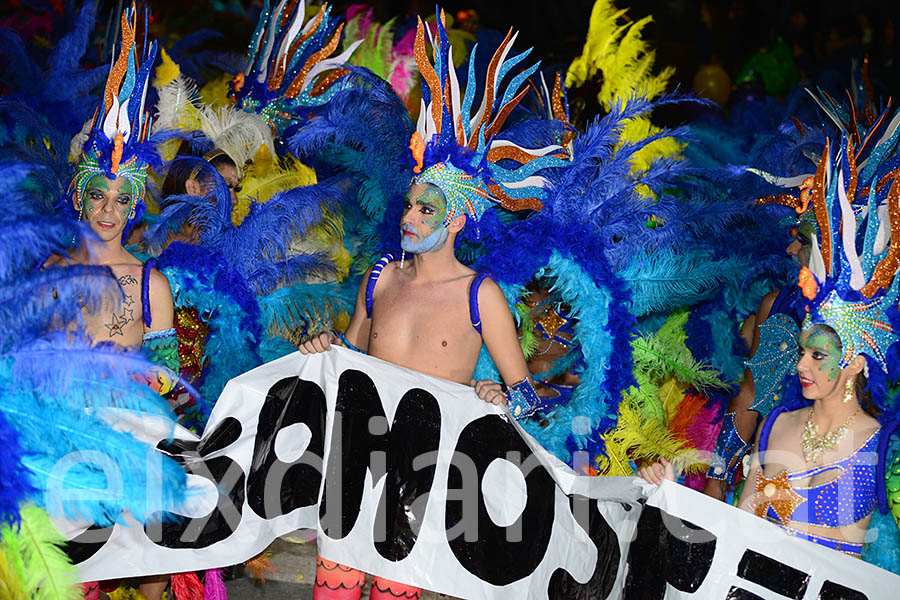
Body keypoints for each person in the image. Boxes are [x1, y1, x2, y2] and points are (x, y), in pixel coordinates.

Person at [298, 14, 566, 599]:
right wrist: (325, 348)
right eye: (410, 205)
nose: (408, 217)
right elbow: (352, 356)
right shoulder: (381, 277)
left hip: (425, 482)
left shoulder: (481, 295)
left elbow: (530, 398)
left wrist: (503, 397)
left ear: (458, 218)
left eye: (426, 209)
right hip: (355, 466)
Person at [642, 139, 900, 559]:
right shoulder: (777, 420)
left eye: (817, 355)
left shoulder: (886, 445)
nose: (799, 364)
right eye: (803, 350)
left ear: (855, 361)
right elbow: (736, 531)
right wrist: (685, 493)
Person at [42, 8, 178, 598]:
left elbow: (171, 379)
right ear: (80, 198)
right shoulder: (51, 271)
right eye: (98, 195)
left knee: (148, 563)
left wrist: (137, 390)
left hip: (129, 440)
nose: (108, 210)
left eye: (122, 200)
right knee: (67, 575)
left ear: (135, 207)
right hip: (58, 439)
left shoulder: (151, 283)